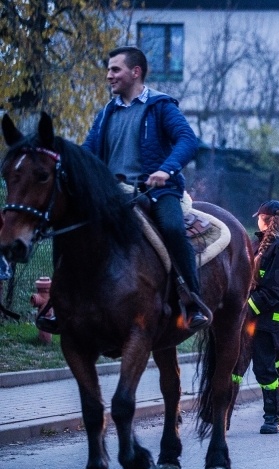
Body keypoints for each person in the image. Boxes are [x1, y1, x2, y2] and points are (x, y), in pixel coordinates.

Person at [82, 46, 208, 331]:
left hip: (156, 192)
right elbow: (88, 151)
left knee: (172, 227)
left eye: (115, 69)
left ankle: (192, 301)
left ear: (135, 72)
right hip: (111, 194)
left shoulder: (161, 106)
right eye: (109, 69)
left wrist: (166, 169)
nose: (109, 75)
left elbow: (188, 140)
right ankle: (61, 301)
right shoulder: (107, 112)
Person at [245, 201, 279, 433]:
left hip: (269, 320)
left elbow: (274, 292)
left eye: (258, 217)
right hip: (256, 317)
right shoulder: (257, 244)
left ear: (263, 219)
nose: (257, 221)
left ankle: (272, 417)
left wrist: (247, 309)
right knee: (269, 362)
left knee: (264, 367)